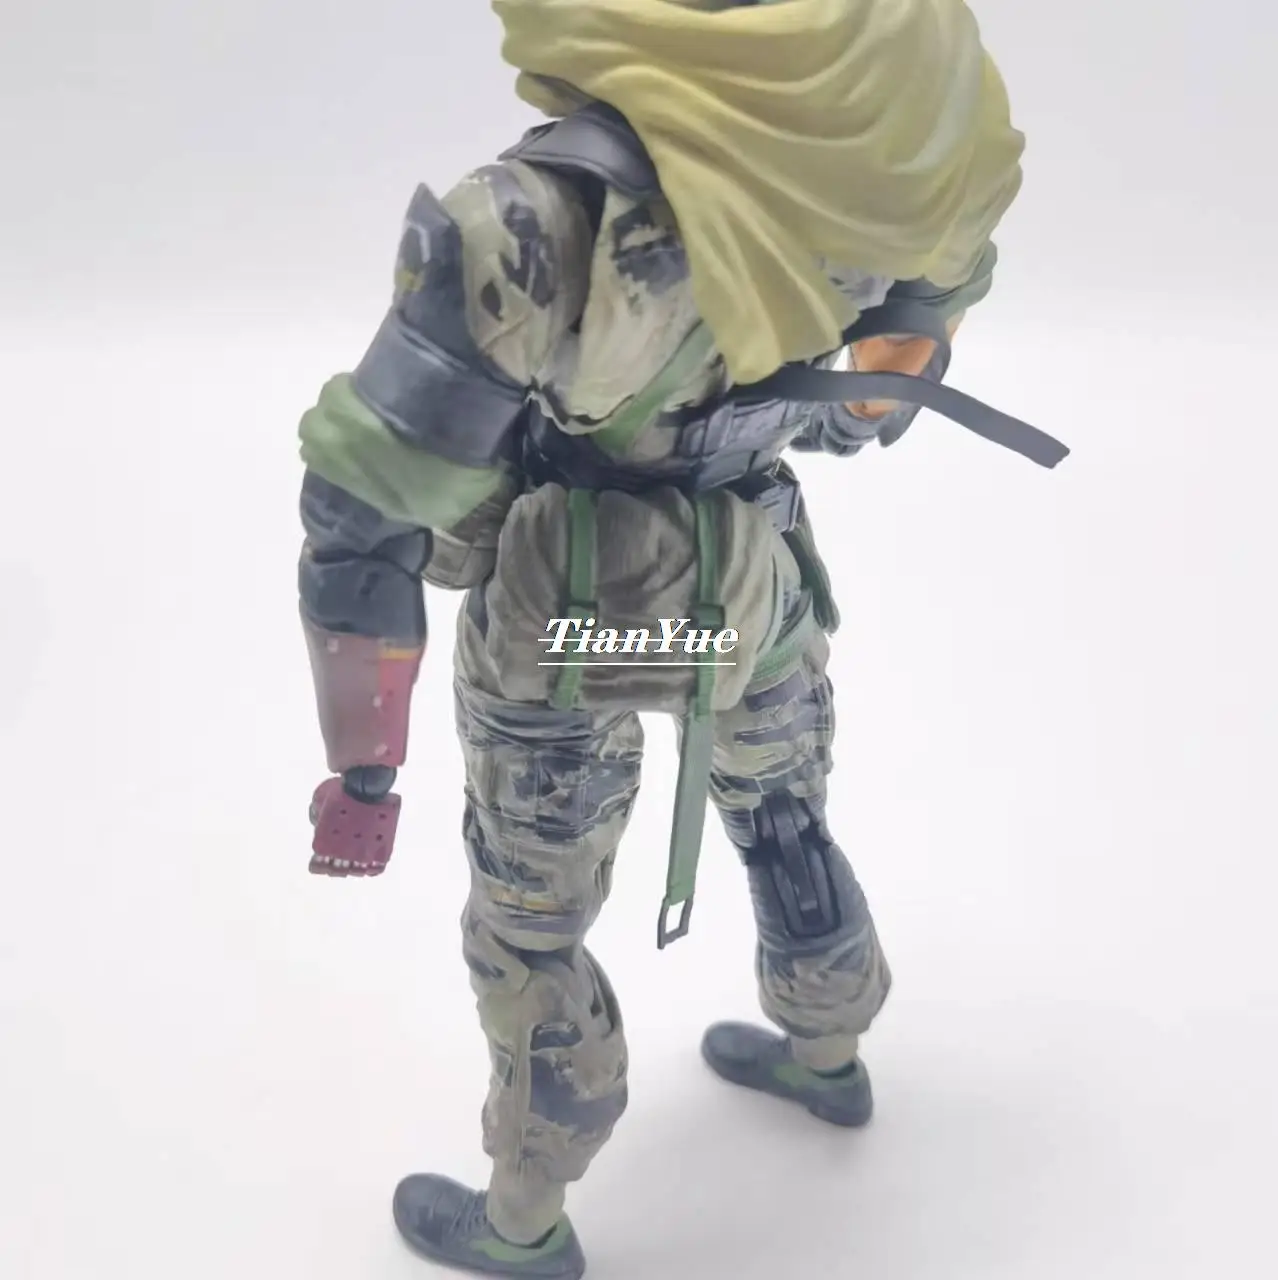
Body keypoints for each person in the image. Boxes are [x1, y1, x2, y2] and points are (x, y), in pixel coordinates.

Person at [294, 2, 1066, 1276]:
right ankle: (827, 1053)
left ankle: (524, 1219)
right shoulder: (912, 143)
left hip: (562, 617)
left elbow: (363, 512)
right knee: (784, 822)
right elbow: (870, 410)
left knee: (530, 927)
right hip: (752, 583)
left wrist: (364, 769)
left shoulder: (530, 222)